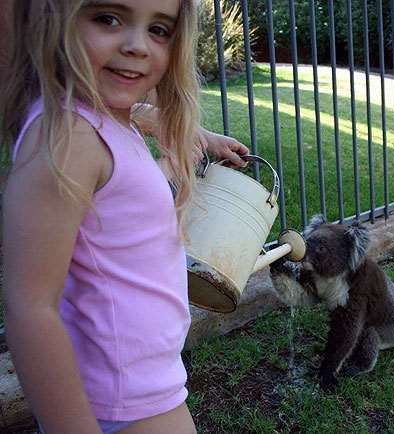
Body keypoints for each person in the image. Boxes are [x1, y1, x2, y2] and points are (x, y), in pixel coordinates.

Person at [0, 1, 248, 433]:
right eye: (108, 18)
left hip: (144, 387)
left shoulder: (102, 119)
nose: (137, 46)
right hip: (124, 404)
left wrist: (197, 135)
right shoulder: (69, 138)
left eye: (159, 29)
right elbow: (32, 309)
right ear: (55, 19)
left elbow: (134, 114)